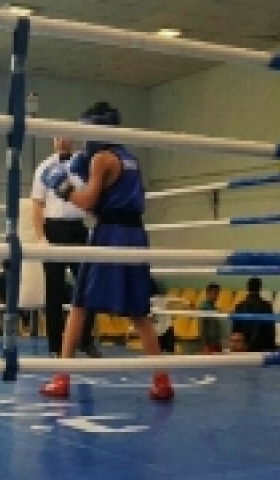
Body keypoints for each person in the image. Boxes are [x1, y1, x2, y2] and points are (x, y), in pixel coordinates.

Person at [38, 101, 173, 401]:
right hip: (135, 234)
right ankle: (162, 380)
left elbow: (87, 203)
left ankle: (61, 378)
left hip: (110, 234)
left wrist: (63, 188)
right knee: (139, 311)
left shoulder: (101, 158)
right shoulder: (130, 159)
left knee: (79, 305)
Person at [31, 137, 100, 358]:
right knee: (54, 290)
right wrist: (41, 238)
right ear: (53, 141)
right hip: (53, 229)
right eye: (58, 137)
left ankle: (85, 340)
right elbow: (37, 205)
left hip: (78, 228)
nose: (62, 141)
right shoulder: (44, 167)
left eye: (66, 136)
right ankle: (55, 345)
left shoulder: (84, 165)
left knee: (88, 286)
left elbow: (93, 198)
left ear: (72, 139)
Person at [232, 277, 275, 352]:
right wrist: (271, 347)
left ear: (247, 288)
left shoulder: (240, 306)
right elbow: (270, 330)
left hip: (244, 347)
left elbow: (236, 330)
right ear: (260, 288)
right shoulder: (266, 306)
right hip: (263, 346)